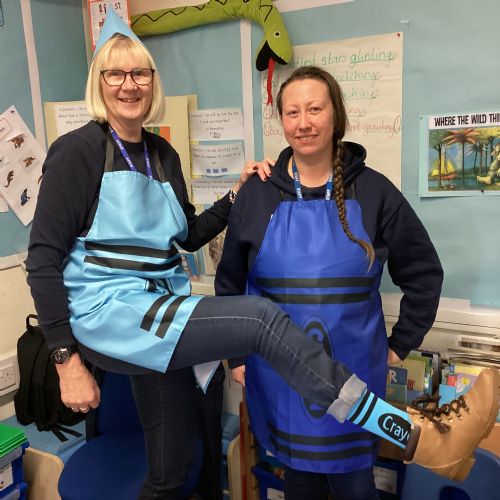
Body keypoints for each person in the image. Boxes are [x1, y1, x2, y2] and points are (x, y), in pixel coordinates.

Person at [25, 12, 498, 500]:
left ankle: (418, 436)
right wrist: (66, 360)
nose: (129, 85)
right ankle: (416, 436)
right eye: (115, 74)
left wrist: (234, 194)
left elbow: (187, 235)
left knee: (174, 467)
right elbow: (42, 260)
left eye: (140, 73)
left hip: (158, 310)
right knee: (261, 320)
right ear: (98, 82)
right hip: (111, 313)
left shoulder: (161, 154)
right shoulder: (76, 152)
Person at [215, 66, 497, 499]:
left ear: (336, 115)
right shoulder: (258, 194)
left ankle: (429, 444)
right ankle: (433, 442)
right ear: (282, 121)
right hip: (279, 375)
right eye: (292, 112)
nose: (304, 122)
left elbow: (423, 273)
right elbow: (230, 282)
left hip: (355, 373)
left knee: (354, 483)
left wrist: (399, 345)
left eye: (315, 109)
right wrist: (236, 355)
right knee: (300, 479)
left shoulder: (375, 192)